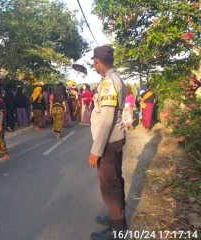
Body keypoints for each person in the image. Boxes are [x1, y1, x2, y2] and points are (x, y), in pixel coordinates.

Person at [88, 46, 127, 240]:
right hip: (114, 140)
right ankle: (117, 217)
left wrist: (96, 150)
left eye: (93, 62)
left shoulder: (109, 82)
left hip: (108, 142)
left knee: (109, 185)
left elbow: (106, 119)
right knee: (115, 180)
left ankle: (117, 229)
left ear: (97, 60)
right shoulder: (111, 79)